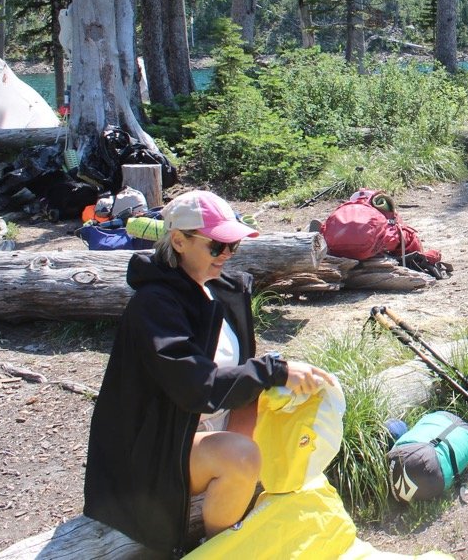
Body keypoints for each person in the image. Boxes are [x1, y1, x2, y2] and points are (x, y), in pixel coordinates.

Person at [84, 190, 335, 554]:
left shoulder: (222, 291)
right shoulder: (153, 306)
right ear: (179, 241)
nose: (228, 255)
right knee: (243, 456)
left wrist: (280, 379)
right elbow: (194, 386)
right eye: (217, 246)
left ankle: (245, 507)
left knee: (292, 421)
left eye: (233, 245)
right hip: (153, 448)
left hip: (200, 427)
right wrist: (273, 372)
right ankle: (217, 548)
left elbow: (237, 371)